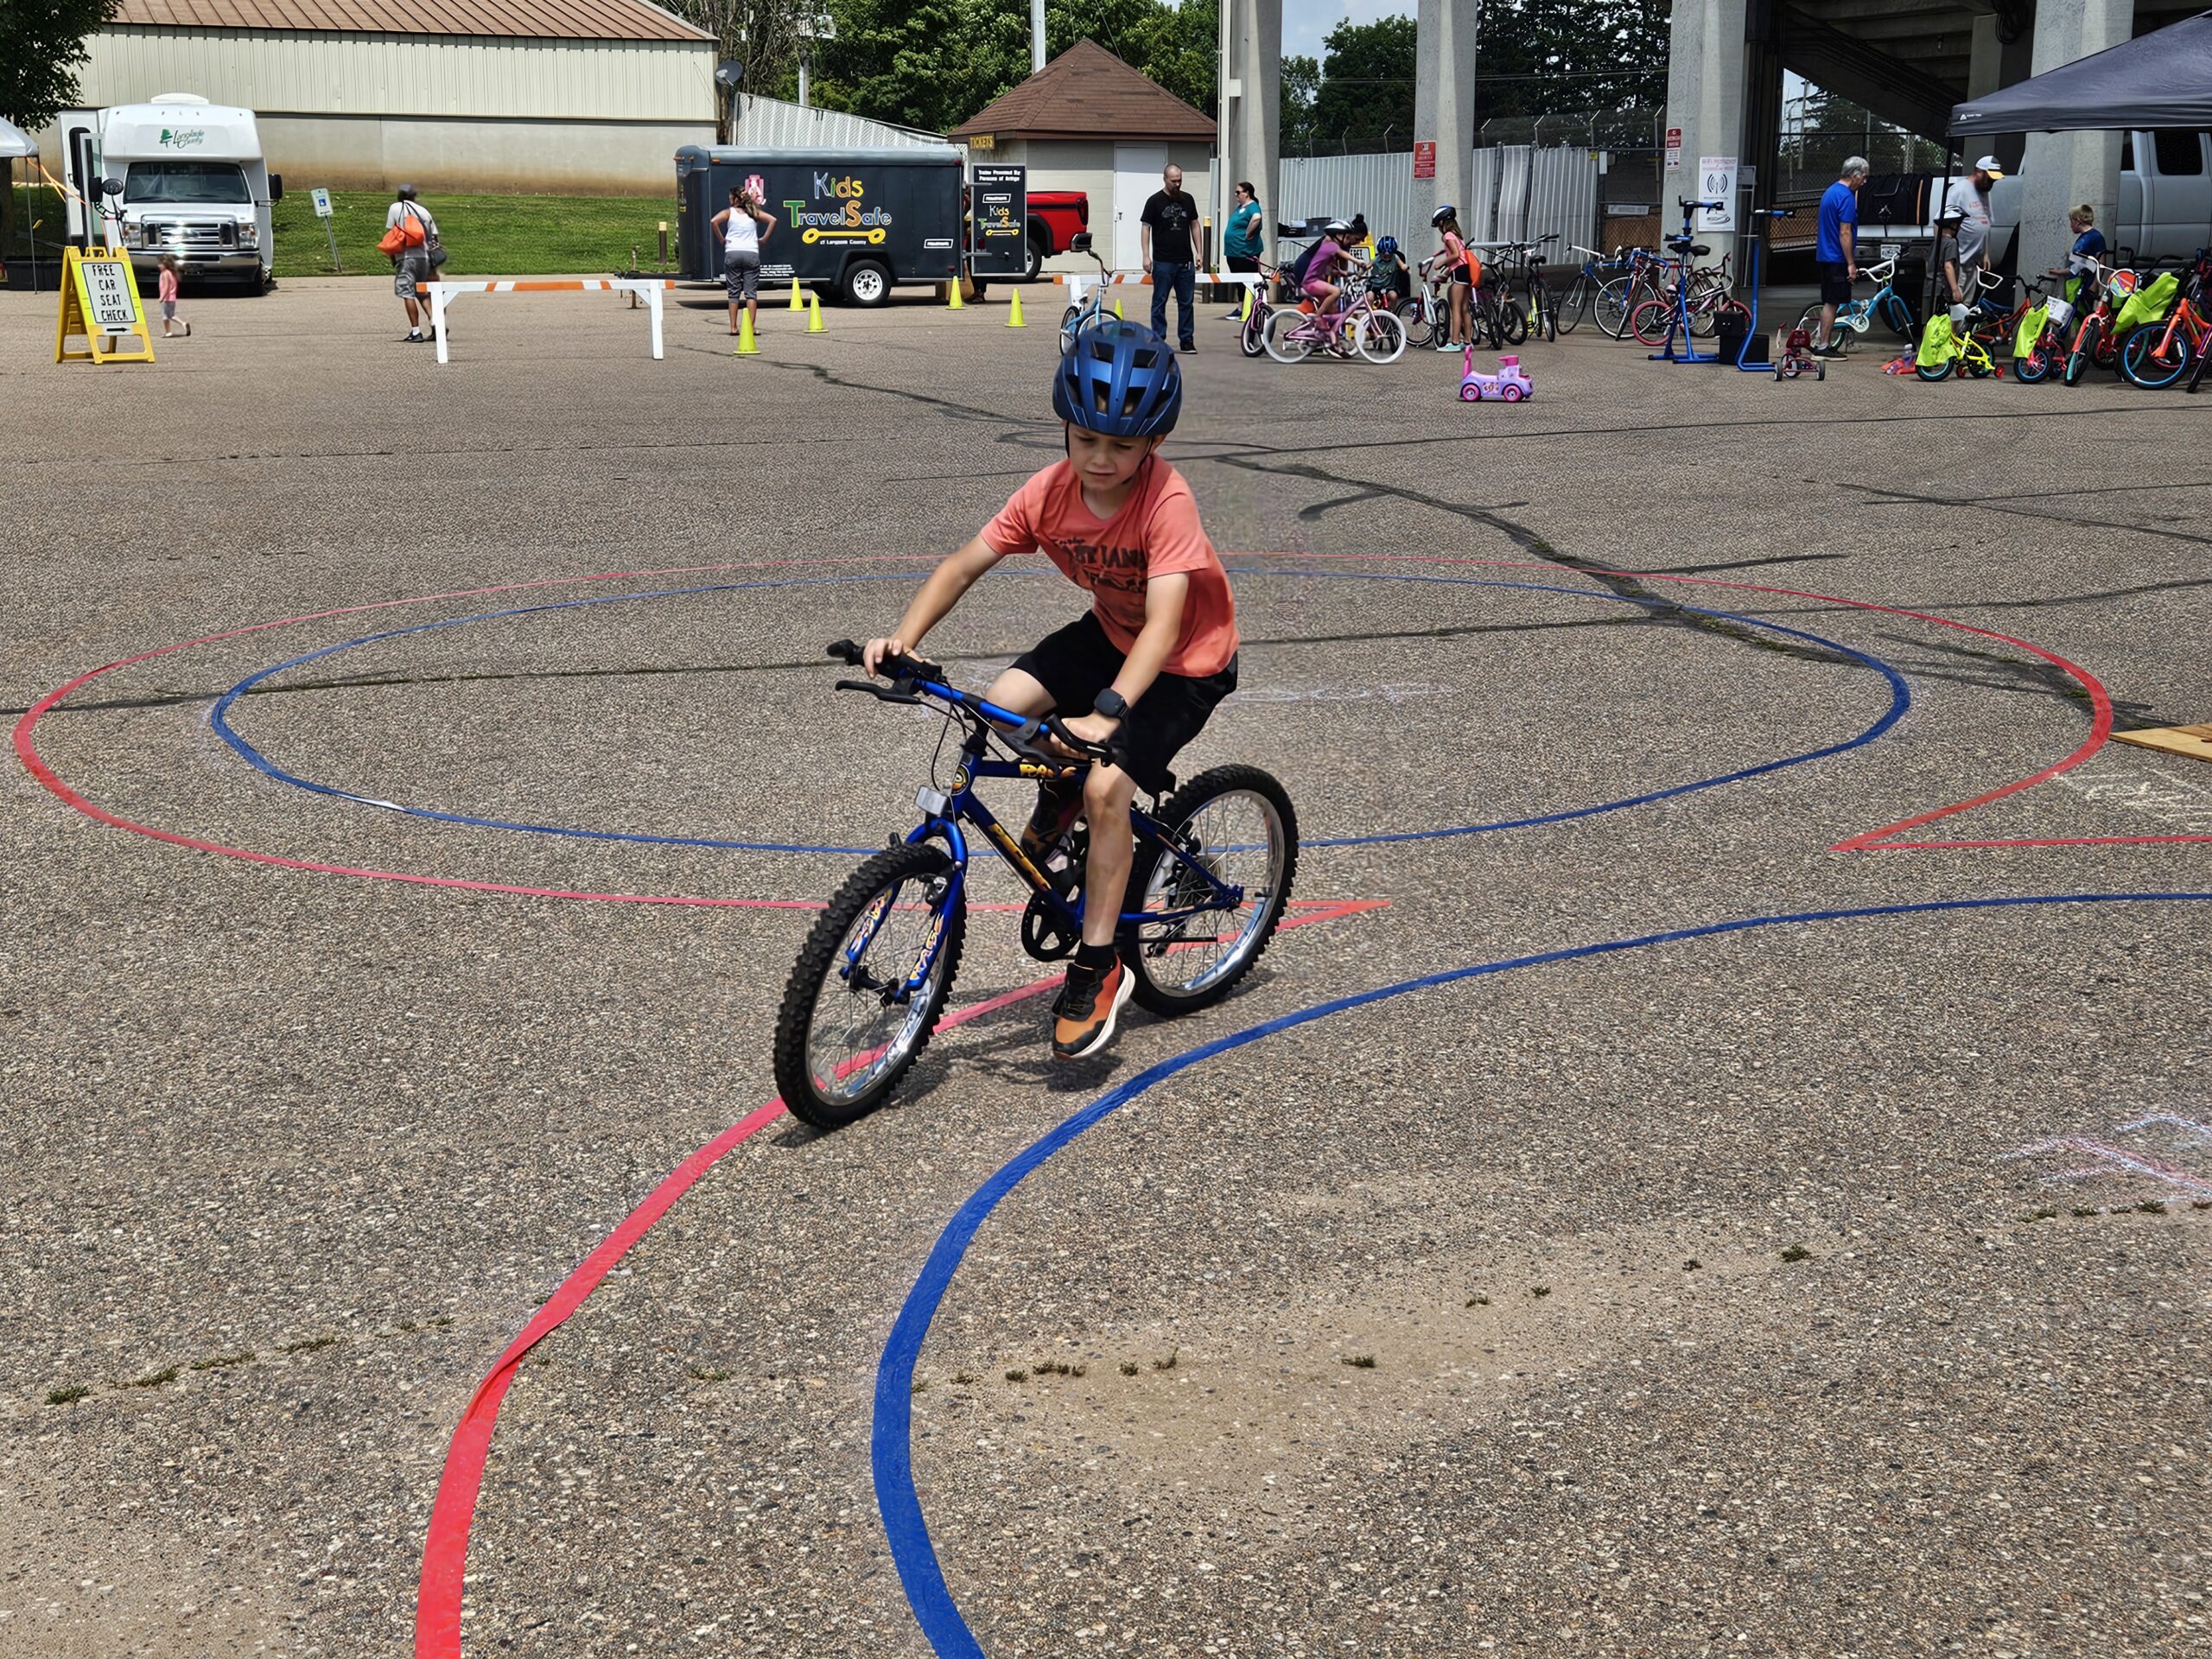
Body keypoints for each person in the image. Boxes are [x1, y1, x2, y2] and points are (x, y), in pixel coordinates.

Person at [859, 321, 1236, 1062]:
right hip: (1109, 633)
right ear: (1064, 427)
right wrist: (905, 639)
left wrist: (1107, 714)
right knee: (1004, 700)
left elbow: (1164, 625)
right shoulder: (1048, 492)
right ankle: (1062, 791)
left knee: (1107, 793)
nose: (1101, 459)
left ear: (1153, 445)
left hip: (1185, 660)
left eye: (1122, 446)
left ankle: (1099, 964)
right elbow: (965, 564)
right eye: (1086, 439)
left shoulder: (1168, 503)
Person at [1141, 162, 1200, 351]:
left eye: (1180, 180)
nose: (1177, 184)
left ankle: (1187, 340)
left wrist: (1200, 252)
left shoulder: (1188, 200)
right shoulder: (1154, 201)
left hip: (1185, 261)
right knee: (1159, 301)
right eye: (1173, 181)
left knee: (1186, 303)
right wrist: (1145, 256)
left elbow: (1195, 225)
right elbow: (1145, 228)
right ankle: (1158, 339)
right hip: (1163, 261)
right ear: (1165, 179)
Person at [1812, 156, 1866, 356]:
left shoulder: (1830, 192)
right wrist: (1851, 263)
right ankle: (1823, 346)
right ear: (1855, 175)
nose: (1864, 182)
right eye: (1864, 177)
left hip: (1824, 256)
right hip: (1837, 258)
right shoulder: (1846, 197)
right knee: (1832, 303)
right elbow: (1845, 232)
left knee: (1829, 300)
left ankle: (1822, 341)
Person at [711, 185, 775, 338]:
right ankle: (751, 327)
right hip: (751, 253)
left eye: (730, 198)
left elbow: (714, 221)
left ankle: (733, 327)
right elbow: (773, 220)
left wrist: (722, 239)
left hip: (732, 253)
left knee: (733, 293)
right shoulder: (754, 213)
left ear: (734, 199)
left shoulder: (729, 213)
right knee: (751, 293)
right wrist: (764, 240)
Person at [387, 185, 439, 343]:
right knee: (422, 292)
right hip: (423, 258)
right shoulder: (424, 211)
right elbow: (434, 237)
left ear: (400, 195)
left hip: (406, 257)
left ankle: (415, 331)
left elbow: (391, 233)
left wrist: (393, 258)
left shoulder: (396, 207)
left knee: (407, 292)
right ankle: (436, 324)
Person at [1944, 156, 2003, 276]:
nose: (1992, 183)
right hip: (1959, 262)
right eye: (1990, 179)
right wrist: (1947, 259)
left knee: (1969, 296)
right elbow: (1941, 223)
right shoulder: (1958, 191)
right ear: (1979, 172)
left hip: (1974, 263)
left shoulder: (1984, 192)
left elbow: (1986, 224)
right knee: (1958, 294)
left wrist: (1985, 254)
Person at [1427, 203, 1474, 352]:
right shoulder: (1458, 236)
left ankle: (1454, 343)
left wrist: (1440, 263)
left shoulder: (1448, 235)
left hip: (1459, 274)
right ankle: (1467, 341)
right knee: (1465, 309)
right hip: (1466, 272)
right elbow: (1461, 258)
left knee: (1456, 309)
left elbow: (1455, 255)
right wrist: (1446, 273)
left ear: (1442, 222)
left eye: (1438, 225)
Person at [1303, 219, 1353, 352]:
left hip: (1317, 281)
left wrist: (1344, 273)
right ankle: (1318, 316)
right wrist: (1358, 261)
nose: (1347, 239)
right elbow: (1344, 255)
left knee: (1333, 311)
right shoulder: (1331, 245)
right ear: (1338, 235)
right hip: (1312, 281)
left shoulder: (1329, 248)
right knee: (1336, 292)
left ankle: (1329, 341)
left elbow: (1329, 268)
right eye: (1345, 236)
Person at [1222, 180, 1263, 319]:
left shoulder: (1252, 206)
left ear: (1247, 193)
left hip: (1245, 251)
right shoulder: (1240, 208)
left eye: (1238, 192)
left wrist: (1248, 233)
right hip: (1234, 252)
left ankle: (1250, 308)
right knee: (1238, 281)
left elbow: (1257, 218)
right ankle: (1241, 308)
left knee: (1246, 280)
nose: (1236, 195)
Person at [2056, 203, 2107, 303]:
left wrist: (2095, 284)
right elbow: (2079, 264)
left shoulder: (2095, 237)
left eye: (2071, 221)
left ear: (2077, 221)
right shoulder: (2082, 237)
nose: (2070, 225)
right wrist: (2059, 272)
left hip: (2085, 284)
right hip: (2074, 283)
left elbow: (2101, 263)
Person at [1368, 235, 1412, 307]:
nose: (1387, 258)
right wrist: (1361, 271)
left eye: (1389, 255)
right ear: (1380, 252)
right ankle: (1369, 315)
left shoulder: (1395, 257)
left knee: (1393, 296)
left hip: (1389, 287)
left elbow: (1402, 265)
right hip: (1375, 286)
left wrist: (1405, 267)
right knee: (1369, 297)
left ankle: (1392, 313)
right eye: (1384, 256)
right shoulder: (1376, 259)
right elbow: (1368, 266)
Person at [156, 253, 189, 338]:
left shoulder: (165, 273)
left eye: (160, 264)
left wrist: (162, 297)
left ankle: (168, 332)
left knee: (165, 316)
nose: (158, 266)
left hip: (167, 298)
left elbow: (166, 286)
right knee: (171, 315)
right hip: (172, 298)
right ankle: (183, 324)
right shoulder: (172, 273)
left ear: (165, 264)